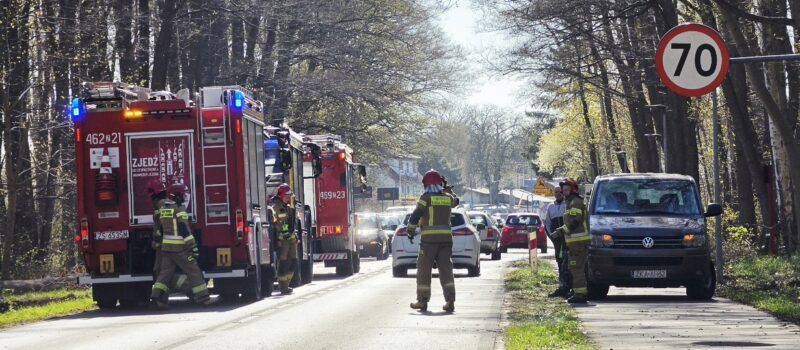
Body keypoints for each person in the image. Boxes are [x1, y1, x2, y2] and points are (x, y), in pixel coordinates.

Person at [149, 183, 212, 309]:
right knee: (193, 270)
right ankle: (203, 298)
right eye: (183, 194)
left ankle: (157, 298)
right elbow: (185, 231)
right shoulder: (179, 210)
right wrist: (193, 247)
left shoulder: (163, 208)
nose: (184, 197)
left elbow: (159, 228)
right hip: (180, 250)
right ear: (176, 196)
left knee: (164, 274)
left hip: (166, 249)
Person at [407, 169, 460, 313]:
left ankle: (422, 301)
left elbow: (416, 215)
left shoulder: (425, 198)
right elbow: (457, 201)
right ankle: (450, 300)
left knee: (424, 269)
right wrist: (448, 189)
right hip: (446, 241)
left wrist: (410, 230)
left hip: (429, 241)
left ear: (425, 184)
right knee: (446, 270)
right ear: (439, 183)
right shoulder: (447, 198)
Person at [147, 180, 193, 299]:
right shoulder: (164, 204)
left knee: (161, 272)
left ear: (154, 193)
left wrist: (156, 242)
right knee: (163, 273)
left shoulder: (161, 205)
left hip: (164, 245)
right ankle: (161, 299)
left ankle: (188, 285)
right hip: (167, 244)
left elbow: (160, 227)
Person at [550, 178, 590, 304]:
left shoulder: (575, 202)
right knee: (572, 268)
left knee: (576, 268)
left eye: (567, 189)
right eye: (563, 190)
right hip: (573, 244)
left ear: (573, 189)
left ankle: (580, 295)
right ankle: (576, 291)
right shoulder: (570, 202)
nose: (564, 192)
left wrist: (560, 231)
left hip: (578, 243)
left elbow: (574, 222)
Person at [270, 183, 297, 295]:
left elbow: (291, 223)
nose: (288, 197)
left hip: (291, 238)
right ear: (281, 195)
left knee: (293, 262)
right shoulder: (276, 207)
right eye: (287, 195)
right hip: (282, 240)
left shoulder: (288, 206)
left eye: (289, 196)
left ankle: (287, 283)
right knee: (284, 263)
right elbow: (274, 224)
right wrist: (279, 237)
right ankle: (283, 287)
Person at [543, 186, 569, 298]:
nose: (558, 194)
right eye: (556, 192)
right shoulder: (551, 207)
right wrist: (552, 237)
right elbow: (547, 224)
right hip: (557, 241)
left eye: (560, 192)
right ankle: (562, 287)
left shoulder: (567, 205)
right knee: (559, 263)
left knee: (568, 264)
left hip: (568, 239)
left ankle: (569, 288)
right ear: (554, 194)